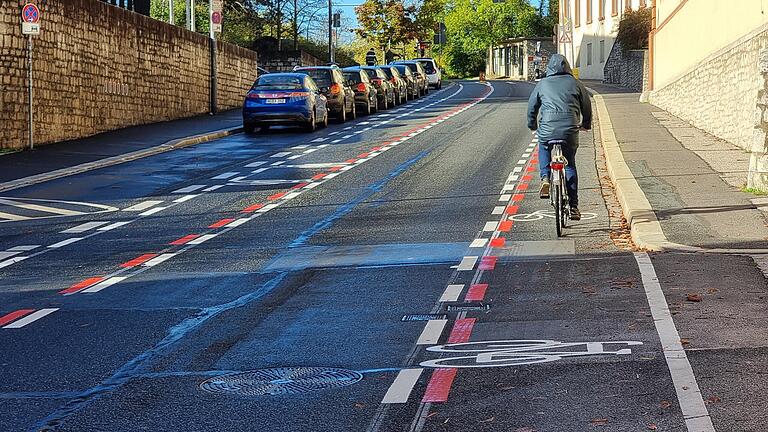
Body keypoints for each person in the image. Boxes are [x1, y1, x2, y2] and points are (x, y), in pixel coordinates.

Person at [526, 53, 592, 220]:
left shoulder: (543, 84)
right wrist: (586, 124)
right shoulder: (576, 83)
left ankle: (545, 177)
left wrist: (532, 125)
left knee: (543, 145)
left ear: (549, 68)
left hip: (547, 128)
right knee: (569, 164)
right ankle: (574, 206)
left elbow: (532, 106)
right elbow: (586, 105)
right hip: (570, 128)